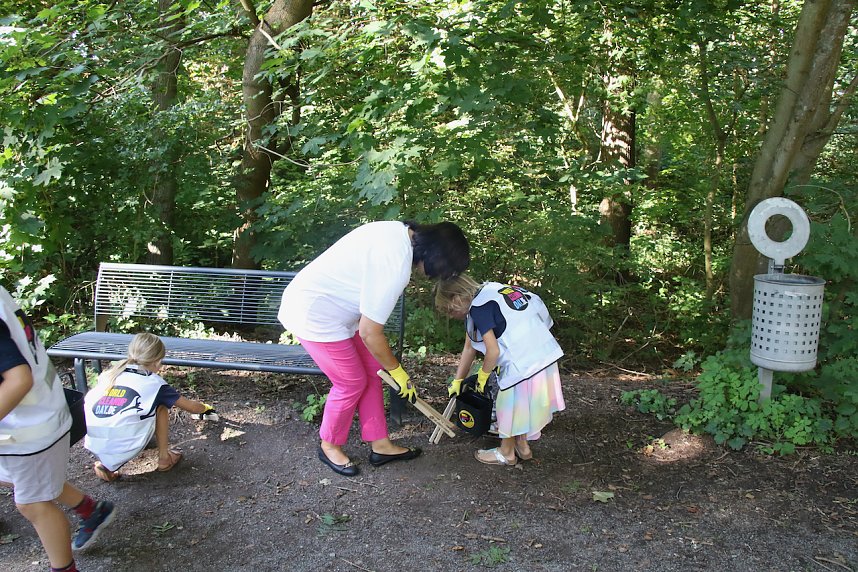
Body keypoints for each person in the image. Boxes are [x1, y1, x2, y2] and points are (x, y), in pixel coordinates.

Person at [278, 220, 470, 477]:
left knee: (372, 370)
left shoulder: (396, 230)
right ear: (436, 257)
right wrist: (398, 372)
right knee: (350, 382)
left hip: (337, 312)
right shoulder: (395, 265)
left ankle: (380, 444)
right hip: (314, 314)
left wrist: (390, 368)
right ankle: (329, 445)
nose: (433, 275)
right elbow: (370, 332)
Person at [0, 285, 115, 571]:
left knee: (32, 503)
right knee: (23, 480)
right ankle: (90, 510)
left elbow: (18, 379)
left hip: (29, 426)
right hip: (30, 418)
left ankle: (64, 568)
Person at [435, 274, 565, 466]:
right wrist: (458, 380)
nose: (449, 315)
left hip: (523, 360)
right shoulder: (491, 291)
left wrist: (483, 375)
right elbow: (469, 347)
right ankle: (522, 446)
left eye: (448, 310)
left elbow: (493, 351)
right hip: (544, 352)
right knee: (523, 404)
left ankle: (506, 453)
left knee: (508, 406)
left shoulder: (479, 308)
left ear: (456, 299)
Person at [83, 332, 217, 482]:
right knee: (161, 406)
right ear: (158, 361)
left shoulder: (111, 374)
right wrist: (206, 408)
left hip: (96, 442)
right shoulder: (154, 383)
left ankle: (107, 465)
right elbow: (192, 408)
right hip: (126, 444)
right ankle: (164, 459)